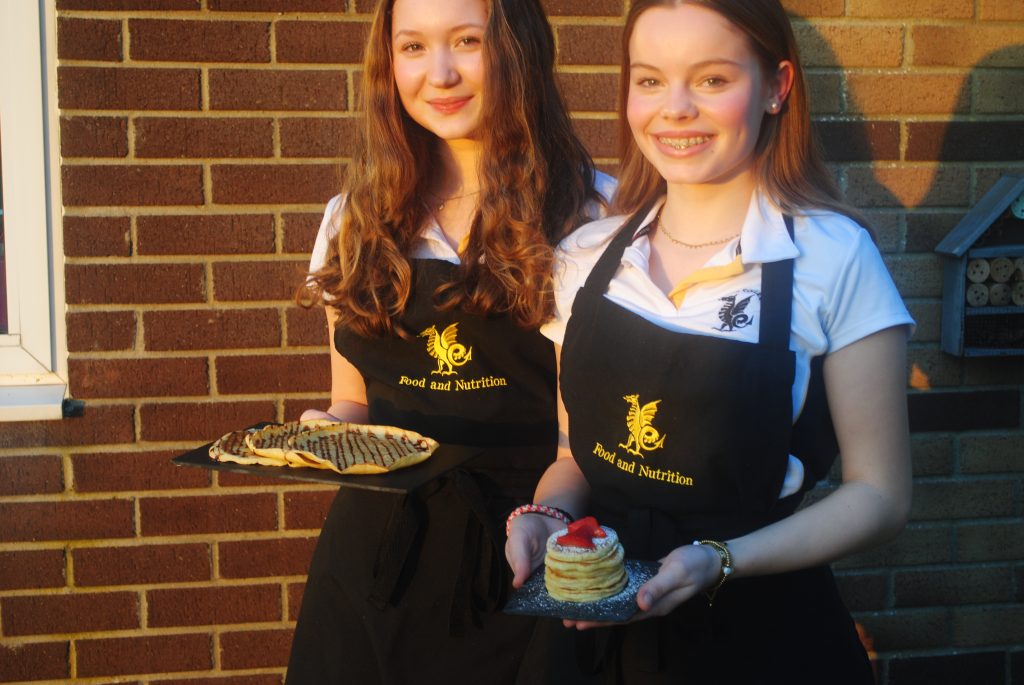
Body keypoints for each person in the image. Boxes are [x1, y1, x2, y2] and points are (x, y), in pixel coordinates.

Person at [505, 1, 914, 682]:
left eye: (713, 80)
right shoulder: (583, 258)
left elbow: (880, 495)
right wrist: (550, 513)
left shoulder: (834, 258)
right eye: (650, 80)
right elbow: (577, 453)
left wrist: (719, 559)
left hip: (760, 634)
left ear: (778, 86)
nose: (675, 108)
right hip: (592, 635)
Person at [285, 0, 613, 682]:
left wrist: (548, 519)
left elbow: (581, 445)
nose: (439, 73)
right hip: (375, 560)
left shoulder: (595, 217)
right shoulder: (352, 218)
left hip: (525, 550)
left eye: (467, 40)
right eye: (412, 47)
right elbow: (354, 408)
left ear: (518, 48)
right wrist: (322, 434)